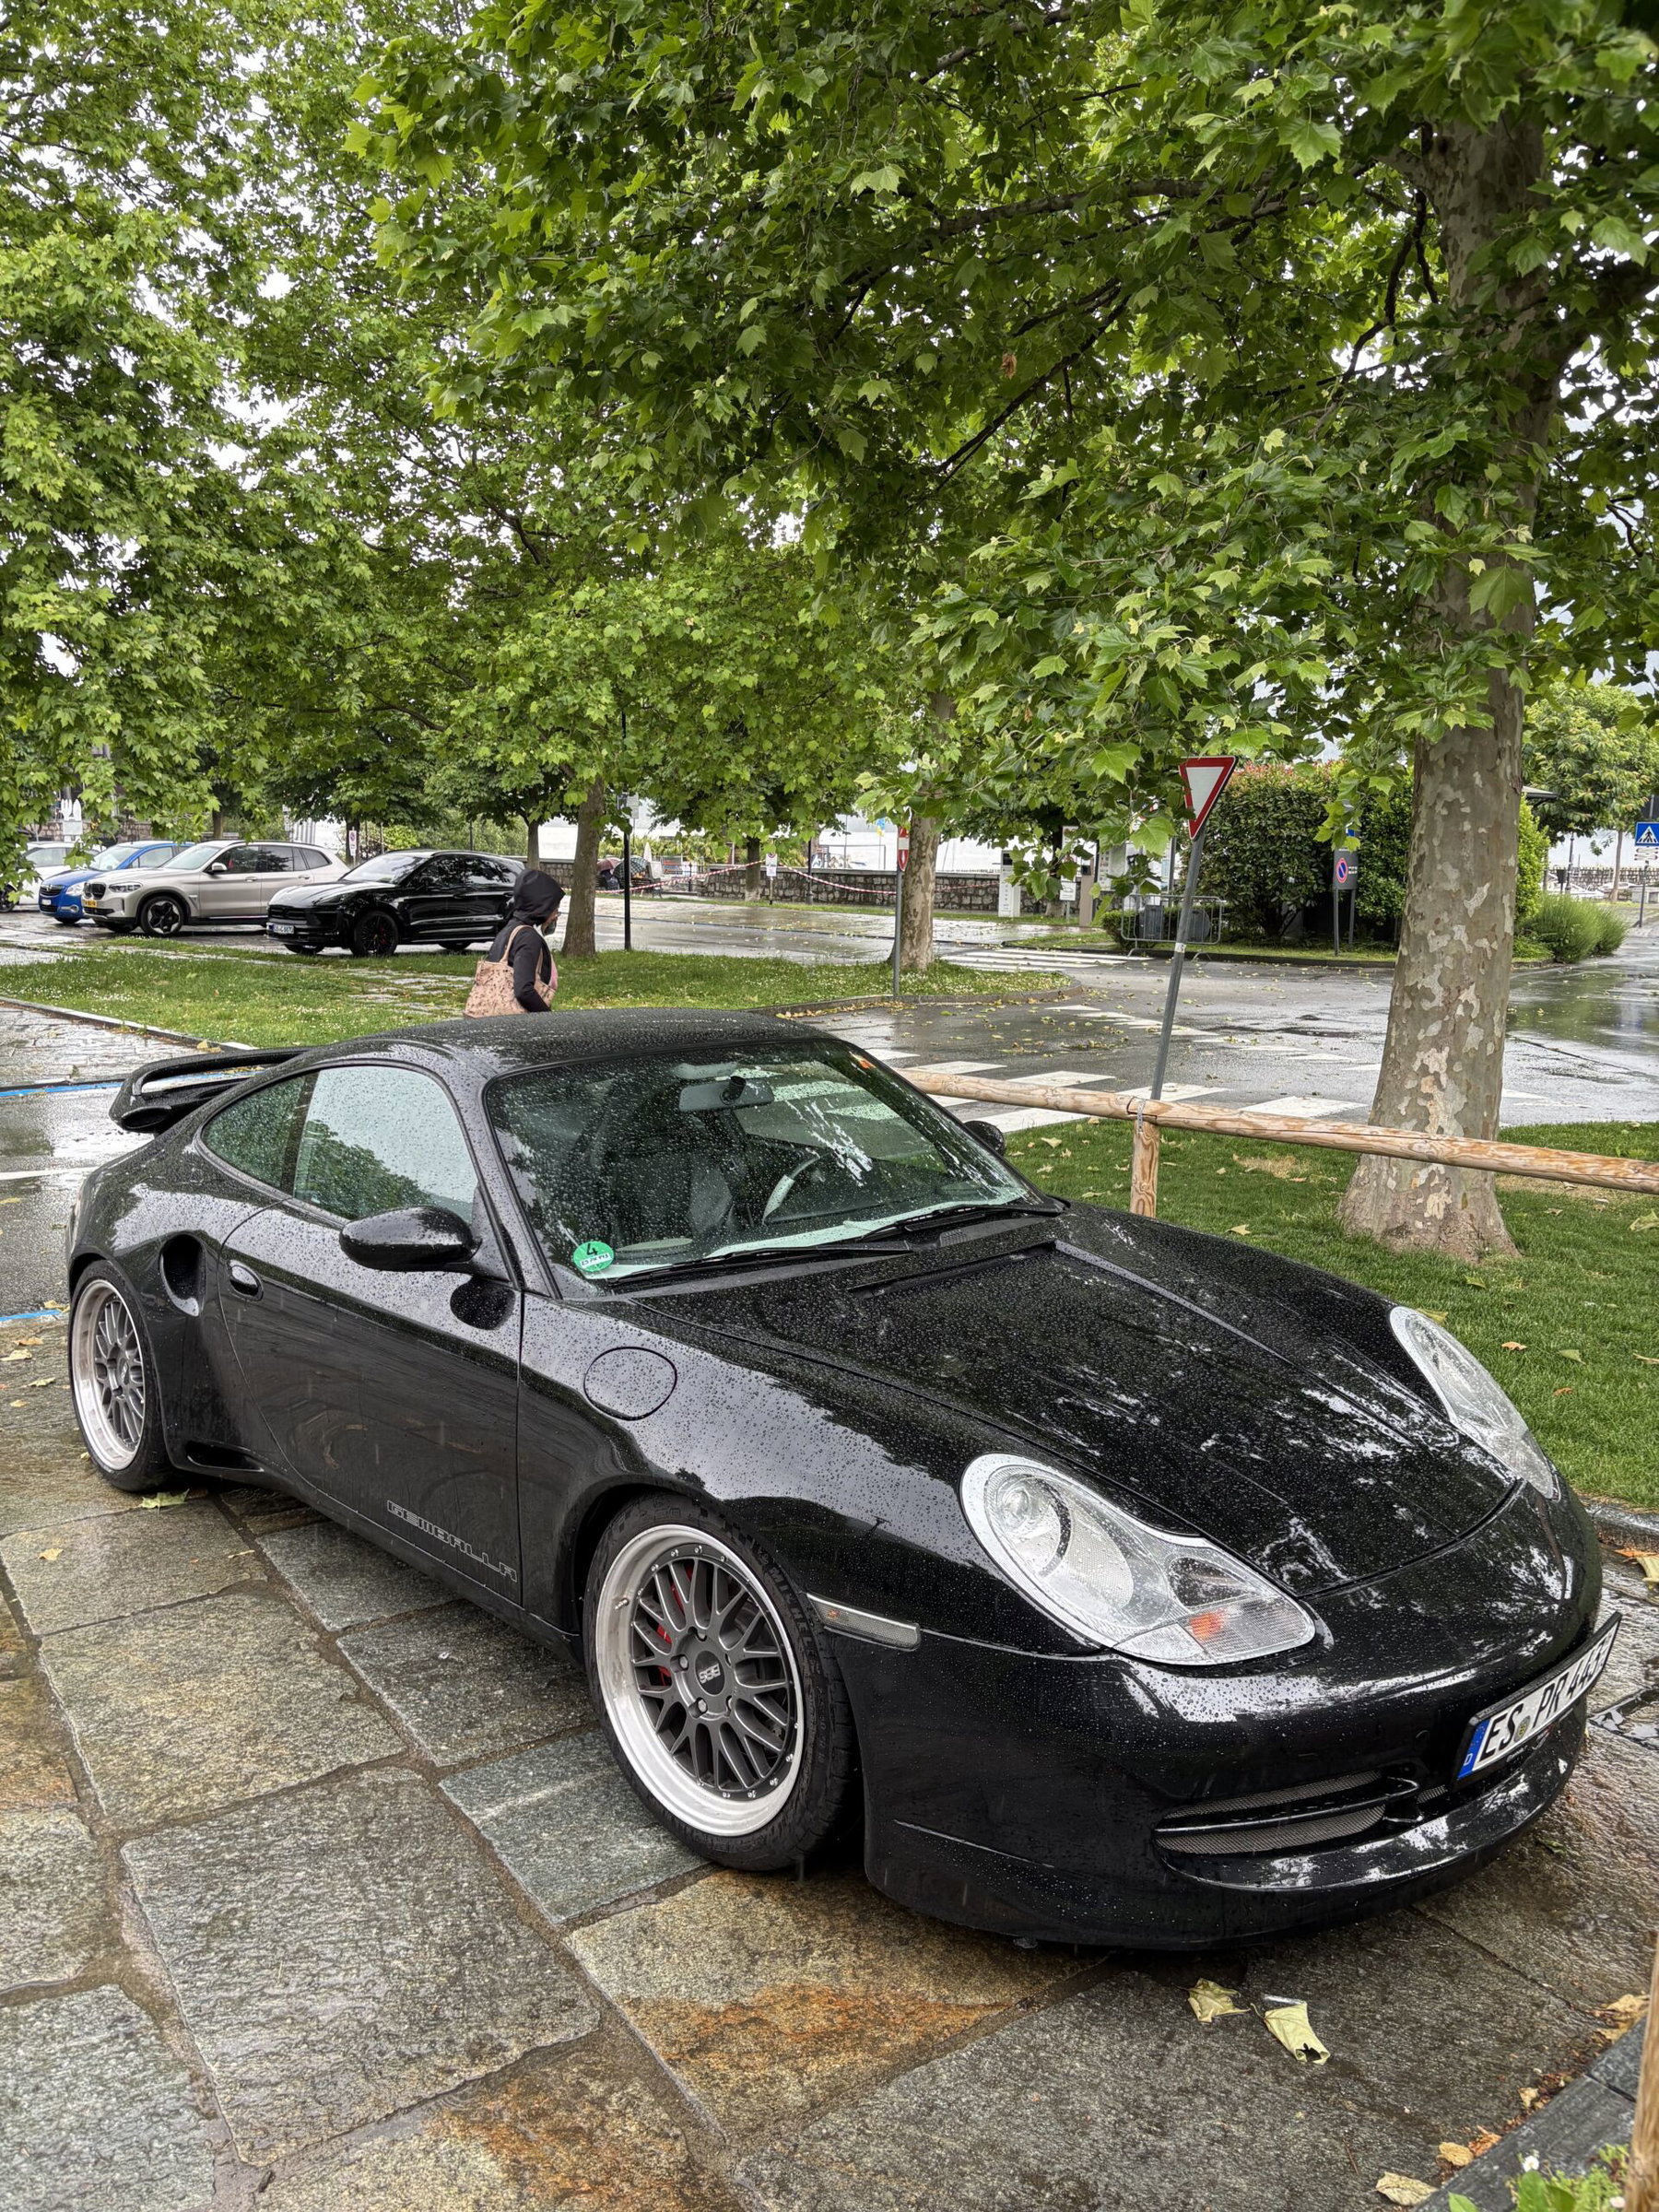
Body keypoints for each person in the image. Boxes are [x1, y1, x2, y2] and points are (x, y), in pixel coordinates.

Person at [472, 868, 562, 1015]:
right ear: (542, 906)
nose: (555, 916)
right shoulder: (528, 937)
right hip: (511, 1022)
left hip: (486, 1016)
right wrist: (548, 1018)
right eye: (555, 909)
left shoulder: (509, 929)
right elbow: (524, 990)